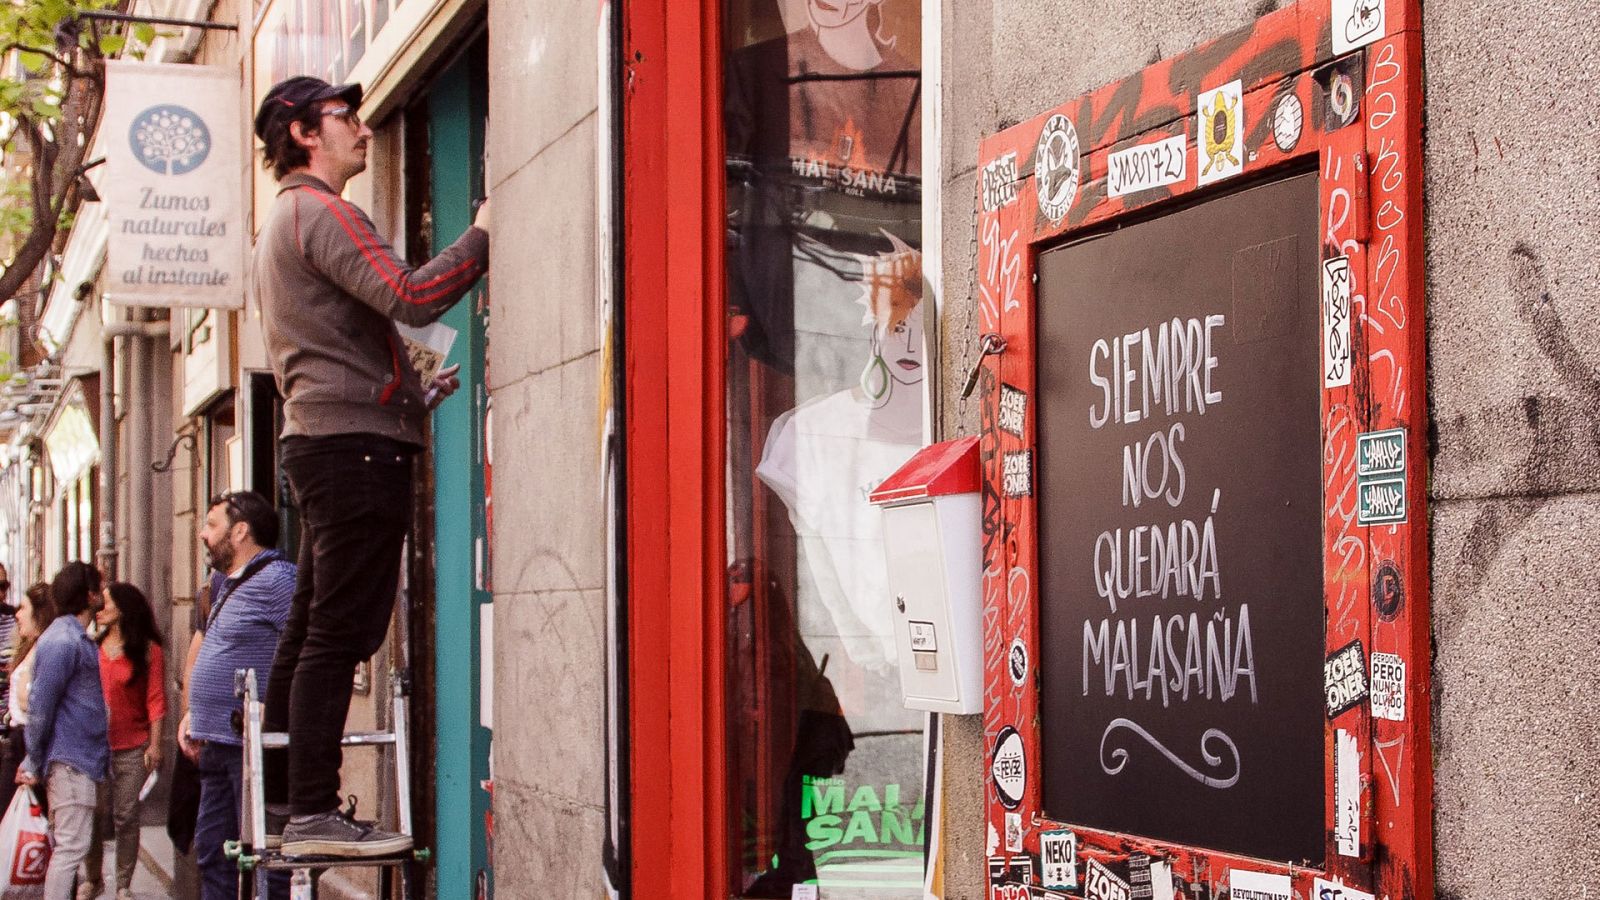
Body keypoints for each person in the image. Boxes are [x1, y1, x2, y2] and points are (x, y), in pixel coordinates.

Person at [250, 74, 489, 857]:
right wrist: (484, 232)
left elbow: (341, 346)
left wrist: (411, 397)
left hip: (329, 442)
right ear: (303, 134)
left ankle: (286, 802)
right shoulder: (322, 211)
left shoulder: (285, 220)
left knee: (312, 628)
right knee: (340, 632)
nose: (363, 128)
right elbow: (412, 295)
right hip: (352, 450)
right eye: (344, 117)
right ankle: (313, 810)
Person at [180, 492, 293, 899]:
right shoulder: (227, 583)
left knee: (266, 856)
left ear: (240, 530)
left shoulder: (279, 579)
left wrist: (274, 708)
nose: (202, 534)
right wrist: (193, 714)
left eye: (212, 525)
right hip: (216, 744)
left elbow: (306, 649)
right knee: (213, 852)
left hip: (251, 747)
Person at [19, 562, 108, 900]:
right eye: (99, 587)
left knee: (71, 846)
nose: (104, 592)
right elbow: (41, 706)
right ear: (89, 595)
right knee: (70, 848)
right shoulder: (64, 640)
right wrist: (34, 759)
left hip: (77, 759)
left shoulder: (71, 638)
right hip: (71, 760)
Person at [81, 583, 166, 900]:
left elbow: (155, 699)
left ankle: (123, 885)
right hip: (95, 747)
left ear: (122, 609)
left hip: (132, 746)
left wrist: (155, 745)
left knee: (126, 815)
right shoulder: (91, 647)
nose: (98, 608)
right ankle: (93, 878)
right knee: (93, 815)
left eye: (105, 603)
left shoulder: (147, 650)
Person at [1, 583, 55, 810]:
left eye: (23, 608)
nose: (17, 614)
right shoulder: (30, 647)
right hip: (18, 738)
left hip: (29, 738)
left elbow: (32, 701)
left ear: (39, 614)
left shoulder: (46, 648)